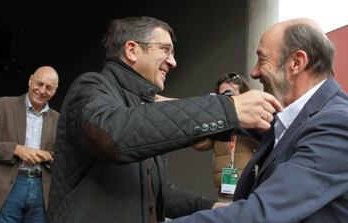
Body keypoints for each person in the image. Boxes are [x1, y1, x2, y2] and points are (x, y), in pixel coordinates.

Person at [47, 16, 282, 223]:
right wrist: (226, 109)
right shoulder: (90, 87)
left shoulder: (142, 106)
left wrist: (210, 207)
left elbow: (156, 192)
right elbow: (113, 134)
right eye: (165, 49)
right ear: (132, 50)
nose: (173, 61)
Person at [171, 18, 348, 223]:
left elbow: (260, 215)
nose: (254, 72)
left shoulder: (337, 124)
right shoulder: (295, 117)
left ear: (296, 62)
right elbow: (235, 118)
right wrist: (163, 107)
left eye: (262, 59)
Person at [0, 66, 59, 223]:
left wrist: (50, 155)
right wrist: (16, 149)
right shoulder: (2, 106)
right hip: (5, 188)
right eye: (39, 83)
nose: (42, 90)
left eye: (49, 88)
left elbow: (66, 156)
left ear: (55, 91)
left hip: (42, 192)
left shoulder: (58, 119)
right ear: (30, 81)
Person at [193, 72, 259, 202]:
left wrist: (238, 116)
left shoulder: (254, 119)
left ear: (243, 95)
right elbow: (200, 145)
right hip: (224, 193)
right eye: (221, 96)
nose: (225, 99)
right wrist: (207, 113)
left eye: (229, 94)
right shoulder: (219, 122)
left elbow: (264, 139)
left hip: (249, 192)